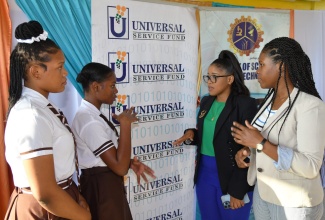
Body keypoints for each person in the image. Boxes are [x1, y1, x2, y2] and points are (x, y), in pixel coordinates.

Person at [4, 21, 91, 219]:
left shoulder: (42, 108)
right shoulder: (31, 115)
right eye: (59, 67)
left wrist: (74, 194)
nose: (65, 72)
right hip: (44, 209)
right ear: (35, 71)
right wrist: (84, 216)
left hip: (59, 200)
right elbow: (45, 194)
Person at [233, 37, 325, 220]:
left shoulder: (310, 105)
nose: (256, 71)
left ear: (281, 66)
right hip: (264, 193)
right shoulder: (269, 101)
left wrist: (259, 142)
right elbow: (265, 145)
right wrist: (247, 153)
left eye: (261, 65)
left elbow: (311, 166)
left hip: (293, 202)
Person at [173, 50, 257, 220]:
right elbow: (210, 135)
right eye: (208, 77)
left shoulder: (244, 104)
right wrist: (192, 135)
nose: (209, 82)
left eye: (214, 77)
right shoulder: (206, 101)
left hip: (232, 177)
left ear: (230, 79)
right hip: (205, 176)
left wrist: (238, 190)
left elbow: (248, 150)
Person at [71, 62, 156, 220]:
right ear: (96, 87)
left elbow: (108, 160)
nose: (116, 91)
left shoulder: (93, 115)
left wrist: (129, 162)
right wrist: (125, 125)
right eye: (112, 86)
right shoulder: (89, 121)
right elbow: (119, 168)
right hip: (102, 190)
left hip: (106, 185)